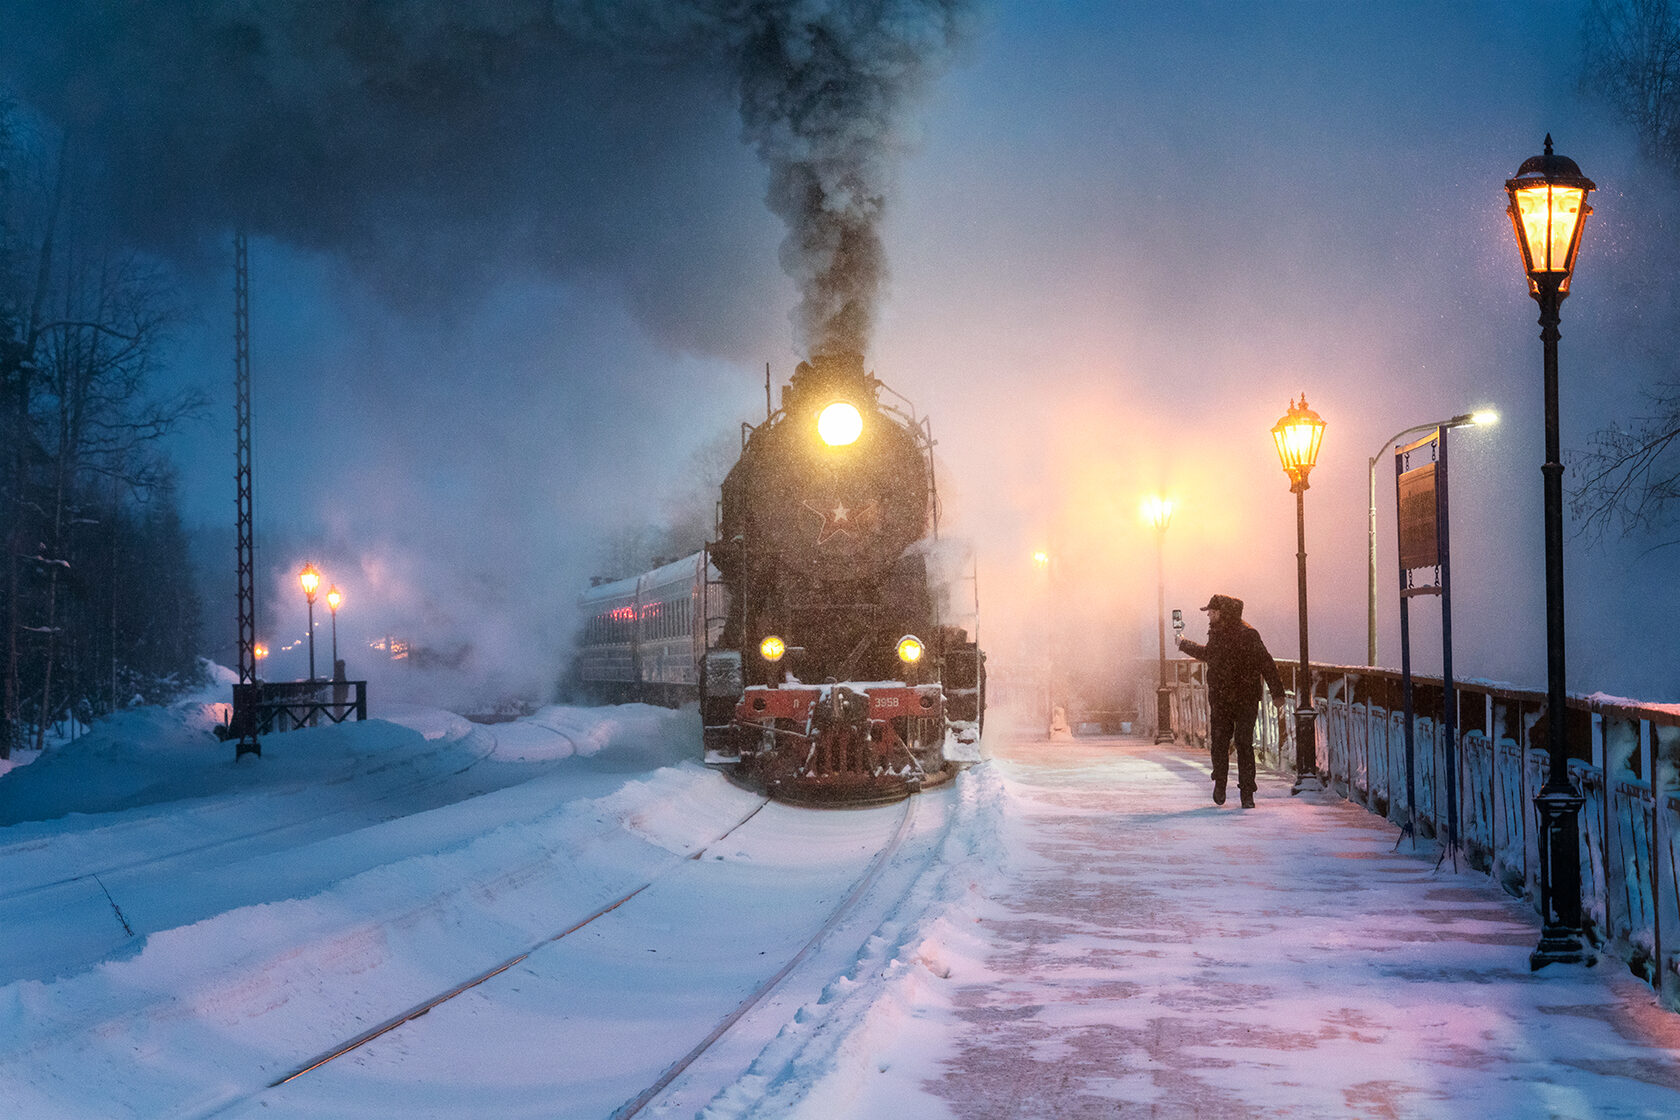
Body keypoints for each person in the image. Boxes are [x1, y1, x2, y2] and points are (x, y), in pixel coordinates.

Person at [1175, 593, 1285, 808]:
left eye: (1212, 612)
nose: (1209, 617)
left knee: (1224, 742)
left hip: (1229, 698)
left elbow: (1265, 662)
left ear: (1222, 613)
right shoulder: (1233, 633)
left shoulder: (1245, 634)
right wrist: (1184, 644)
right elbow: (1266, 663)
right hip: (1239, 698)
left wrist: (1277, 693)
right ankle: (1242, 793)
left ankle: (1228, 786)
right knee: (1241, 744)